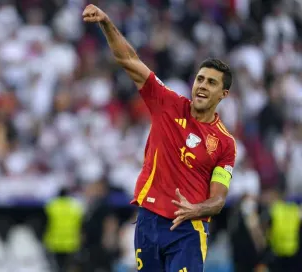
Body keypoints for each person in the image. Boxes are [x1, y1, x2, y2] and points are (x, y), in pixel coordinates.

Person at [82, 5, 237, 272]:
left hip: (187, 229)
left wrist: (196, 209)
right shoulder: (168, 103)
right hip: (148, 222)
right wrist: (106, 23)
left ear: (223, 94)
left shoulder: (224, 143)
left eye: (211, 82)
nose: (202, 85)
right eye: (200, 79)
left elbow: (218, 200)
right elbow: (129, 60)